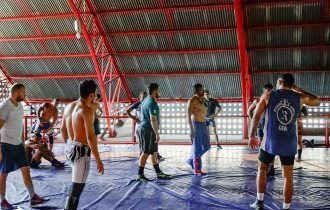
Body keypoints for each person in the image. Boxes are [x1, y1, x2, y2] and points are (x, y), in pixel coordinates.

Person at [248, 73, 320, 210]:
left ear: (280, 81)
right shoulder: (299, 97)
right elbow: (317, 101)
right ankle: (286, 208)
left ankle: (259, 202)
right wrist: (297, 89)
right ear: (292, 84)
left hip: (270, 142)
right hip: (288, 143)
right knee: (288, 177)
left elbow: (256, 116)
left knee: (262, 170)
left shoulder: (269, 95)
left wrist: (251, 135)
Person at [0, 83, 48, 209]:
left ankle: (33, 197)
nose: (24, 94)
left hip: (18, 145)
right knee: (3, 174)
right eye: (23, 92)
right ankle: (2, 201)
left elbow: (20, 126)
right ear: (16, 93)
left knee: (26, 170)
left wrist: (22, 142)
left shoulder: (20, 106)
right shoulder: (5, 107)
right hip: (5, 145)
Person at [61, 80, 104, 210]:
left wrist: (70, 145)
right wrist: (98, 160)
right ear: (91, 95)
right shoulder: (86, 110)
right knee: (77, 187)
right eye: (94, 94)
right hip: (81, 152)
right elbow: (91, 137)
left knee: (75, 185)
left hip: (70, 148)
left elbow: (63, 129)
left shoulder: (69, 106)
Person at [136, 83, 171, 181]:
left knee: (154, 152)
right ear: (155, 91)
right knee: (146, 152)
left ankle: (158, 173)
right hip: (148, 129)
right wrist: (157, 133)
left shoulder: (145, 100)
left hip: (146, 128)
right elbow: (153, 119)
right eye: (158, 90)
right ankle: (140, 175)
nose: (159, 92)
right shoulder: (152, 102)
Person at [126, 92, 165, 161]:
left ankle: (156, 154)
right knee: (141, 141)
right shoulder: (137, 104)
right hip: (141, 125)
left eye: (145, 97)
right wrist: (134, 118)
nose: (144, 98)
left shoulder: (149, 104)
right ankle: (141, 156)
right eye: (143, 97)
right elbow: (127, 111)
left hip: (149, 125)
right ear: (140, 98)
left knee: (153, 140)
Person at [248, 84, 274, 176]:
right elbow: (249, 110)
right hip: (261, 126)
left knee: (271, 147)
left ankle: (272, 167)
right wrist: (253, 120)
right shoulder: (258, 100)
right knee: (261, 146)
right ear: (264, 91)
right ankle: (262, 167)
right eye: (267, 91)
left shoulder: (274, 100)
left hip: (270, 126)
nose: (269, 92)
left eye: (270, 91)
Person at [187, 84, 211, 176]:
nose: (203, 92)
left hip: (203, 124)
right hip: (195, 125)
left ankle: (191, 160)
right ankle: (197, 169)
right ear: (196, 91)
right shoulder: (192, 101)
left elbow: (203, 112)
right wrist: (191, 130)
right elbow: (188, 116)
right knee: (197, 148)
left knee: (207, 146)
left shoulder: (203, 100)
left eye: (203, 90)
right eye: (201, 90)